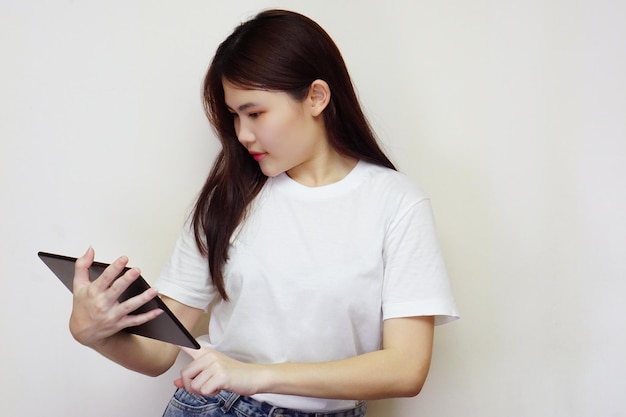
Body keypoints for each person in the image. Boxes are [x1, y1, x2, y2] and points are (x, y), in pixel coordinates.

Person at [69, 9, 459, 417]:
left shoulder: (396, 202)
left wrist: (255, 375)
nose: (242, 134)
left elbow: (406, 368)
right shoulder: (228, 200)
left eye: (255, 113)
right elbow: (158, 353)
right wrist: (93, 333)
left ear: (316, 97)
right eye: (235, 116)